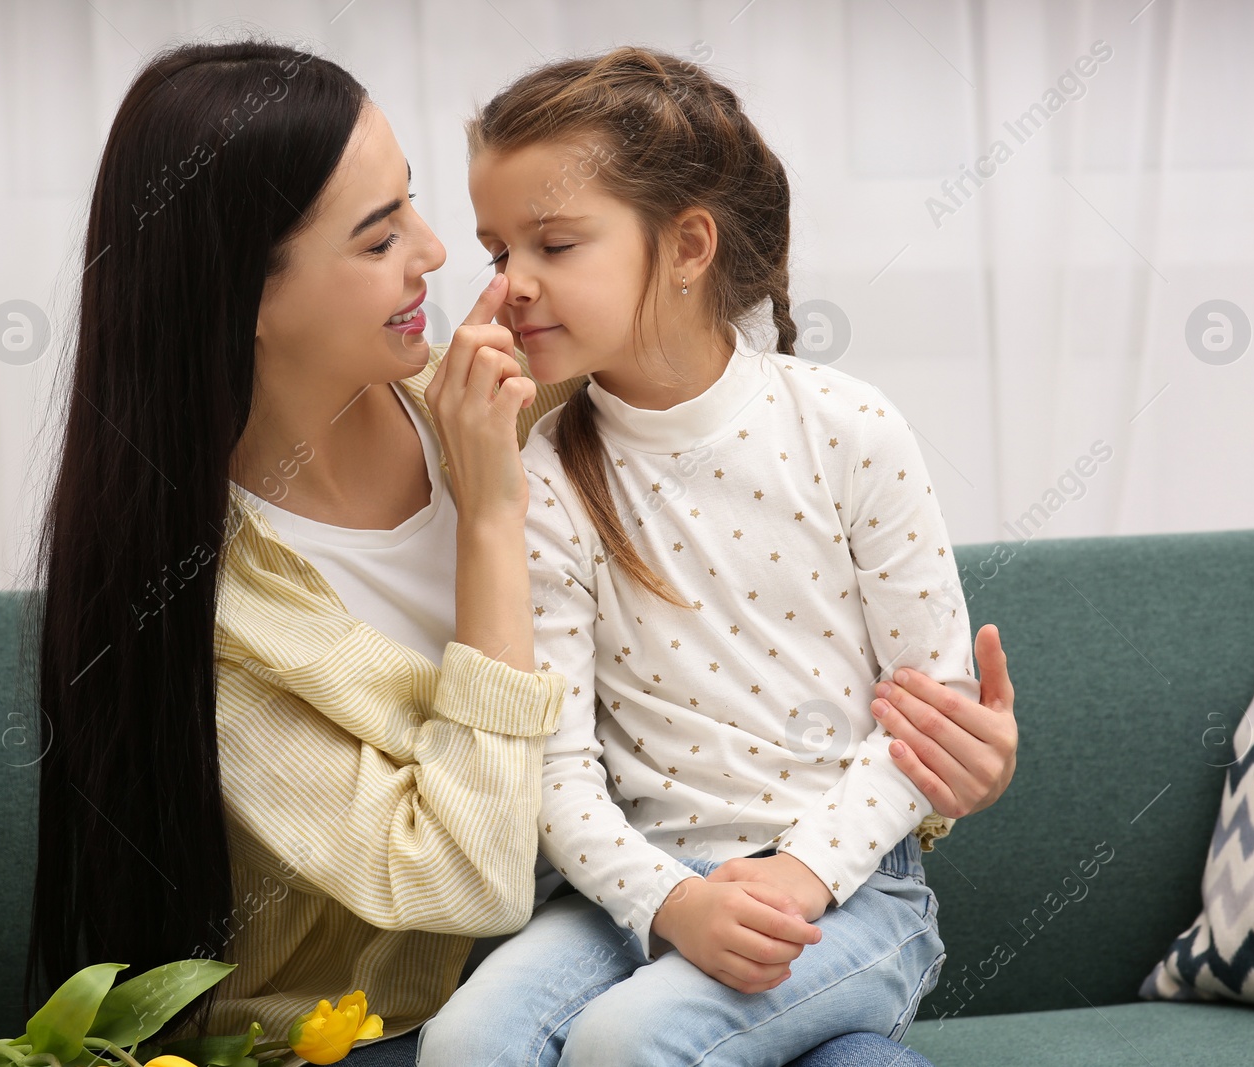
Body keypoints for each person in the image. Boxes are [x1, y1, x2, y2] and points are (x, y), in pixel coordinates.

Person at [22, 38, 1018, 1067]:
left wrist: (946, 769)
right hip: (372, 1028)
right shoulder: (218, 611)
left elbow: (822, 666)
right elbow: (473, 878)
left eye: (413, 203)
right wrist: (490, 518)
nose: (444, 256)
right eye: (377, 239)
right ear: (245, 297)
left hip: (711, 907)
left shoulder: (532, 396)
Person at [417, 47, 971, 1066]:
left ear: (687, 246)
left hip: (849, 895)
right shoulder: (540, 470)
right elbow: (558, 765)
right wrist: (668, 899)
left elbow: (931, 709)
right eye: (498, 252)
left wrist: (801, 872)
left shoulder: (849, 427)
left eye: (554, 243)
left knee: (630, 1040)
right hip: (635, 883)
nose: (511, 287)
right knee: (463, 1042)